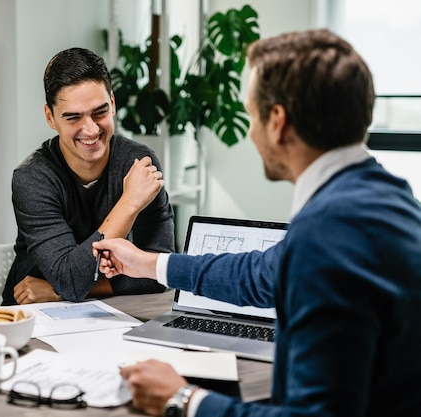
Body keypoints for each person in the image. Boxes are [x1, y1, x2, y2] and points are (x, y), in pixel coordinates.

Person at [93, 29, 421, 417]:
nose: (250, 130)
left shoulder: (330, 234)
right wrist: (146, 262)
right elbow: (261, 274)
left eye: (251, 113)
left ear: (277, 121)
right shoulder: (386, 198)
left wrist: (185, 400)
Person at [2, 47, 174, 305]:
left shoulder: (139, 164)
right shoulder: (33, 178)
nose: (91, 129)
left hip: (112, 314)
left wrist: (60, 288)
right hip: (36, 316)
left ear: (113, 104)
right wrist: (130, 203)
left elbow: (160, 271)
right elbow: (70, 279)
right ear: (50, 117)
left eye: (99, 112)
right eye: (73, 118)